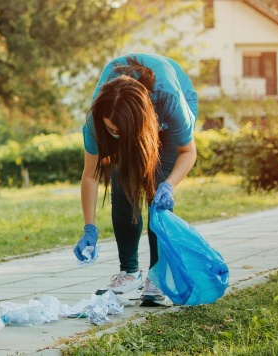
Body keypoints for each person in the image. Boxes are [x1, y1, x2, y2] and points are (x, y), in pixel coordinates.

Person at [75, 54, 198, 306]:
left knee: (156, 191)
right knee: (122, 186)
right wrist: (89, 227)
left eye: (121, 132)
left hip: (166, 111)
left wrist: (169, 185)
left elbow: (189, 152)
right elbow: (90, 174)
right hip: (131, 115)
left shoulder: (170, 102)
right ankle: (129, 272)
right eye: (111, 130)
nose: (115, 136)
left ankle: (157, 275)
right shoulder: (98, 117)